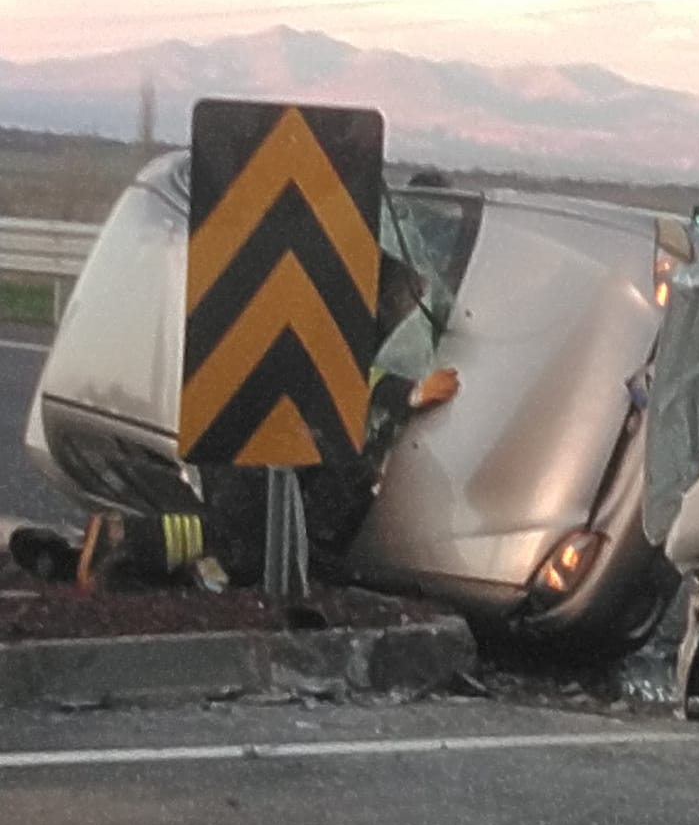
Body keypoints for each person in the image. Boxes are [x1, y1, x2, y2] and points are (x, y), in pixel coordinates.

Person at [42, 252, 459, 590]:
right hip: (252, 428)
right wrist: (407, 393)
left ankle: (76, 558)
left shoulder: (330, 300)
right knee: (245, 540)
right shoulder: (340, 323)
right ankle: (124, 538)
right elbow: (335, 378)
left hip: (244, 419)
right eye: (408, 295)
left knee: (249, 547)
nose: (412, 302)